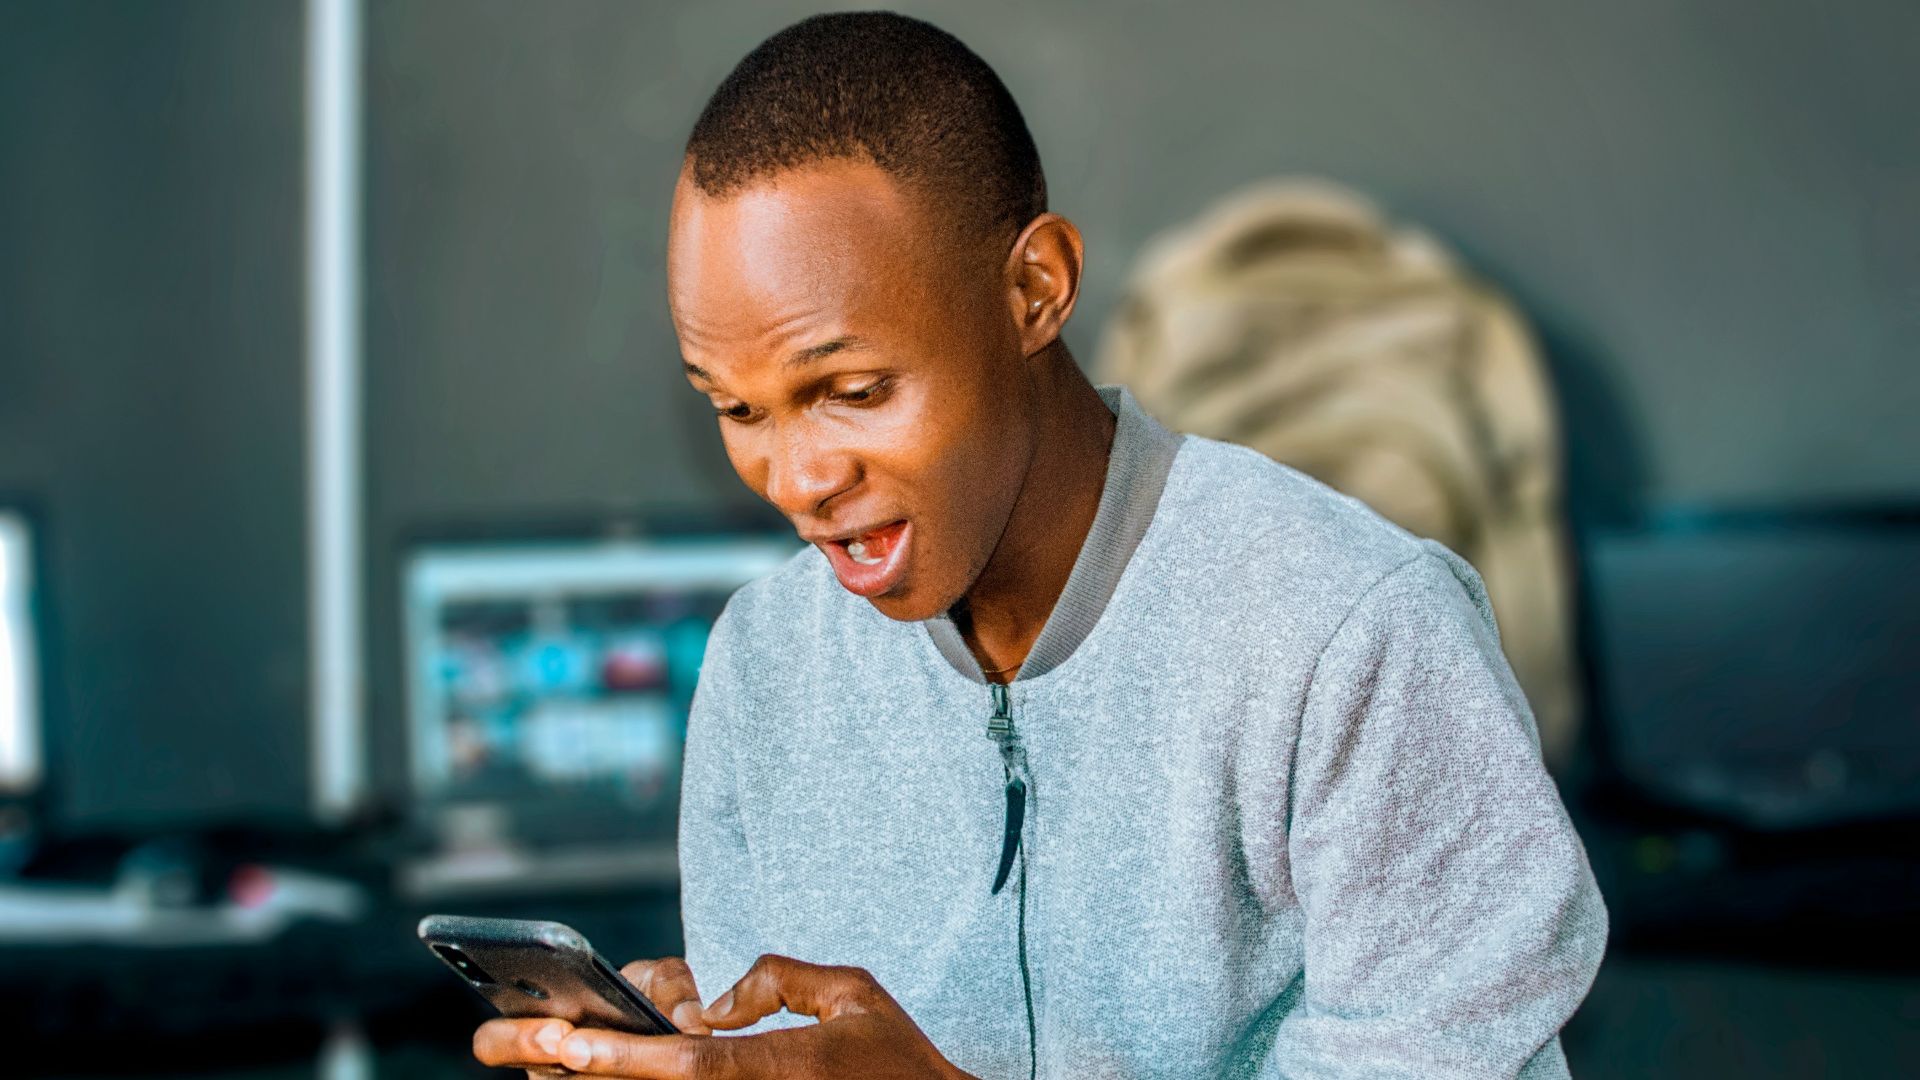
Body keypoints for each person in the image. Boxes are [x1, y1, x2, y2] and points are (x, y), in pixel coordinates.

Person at [472, 11, 1606, 1079]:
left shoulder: (1357, 639)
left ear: (1034, 289)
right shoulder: (764, 668)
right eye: (739, 409)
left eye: (855, 389)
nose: (802, 480)